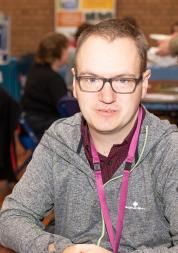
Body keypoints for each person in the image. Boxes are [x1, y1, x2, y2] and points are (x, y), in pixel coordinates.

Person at [1, 18, 178, 253]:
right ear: (75, 82)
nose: (106, 96)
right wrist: (60, 249)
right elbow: (11, 217)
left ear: (144, 84)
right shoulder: (59, 140)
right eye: (91, 79)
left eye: (123, 80)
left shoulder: (169, 150)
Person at [21, 32, 69, 140]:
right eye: (66, 49)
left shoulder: (35, 69)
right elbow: (65, 108)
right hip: (42, 124)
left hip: (31, 122)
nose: (68, 53)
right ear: (59, 52)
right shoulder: (52, 78)